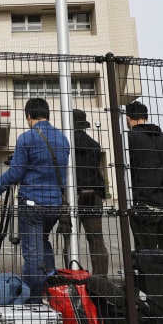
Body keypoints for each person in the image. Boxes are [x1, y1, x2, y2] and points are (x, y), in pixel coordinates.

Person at [0, 98, 70, 302]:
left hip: (32, 205)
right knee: (44, 244)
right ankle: (51, 293)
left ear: (29, 116)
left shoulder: (26, 138)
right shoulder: (63, 140)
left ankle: (33, 301)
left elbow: (15, 174)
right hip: (55, 205)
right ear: (47, 114)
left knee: (32, 255)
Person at [125, 101, 163, 255]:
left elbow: (127, 171)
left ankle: (149, 279)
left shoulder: (129, 138)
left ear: (128, 118)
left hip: (143, 201)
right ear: (145, 116)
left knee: (146, 250)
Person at [63, 109, 109, 275]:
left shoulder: (66, 144)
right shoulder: (94, 146)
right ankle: (100, 279)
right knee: (96, 239)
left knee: (69, 239)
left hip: (71, 196)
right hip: (92, 195)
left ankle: (71, 274)